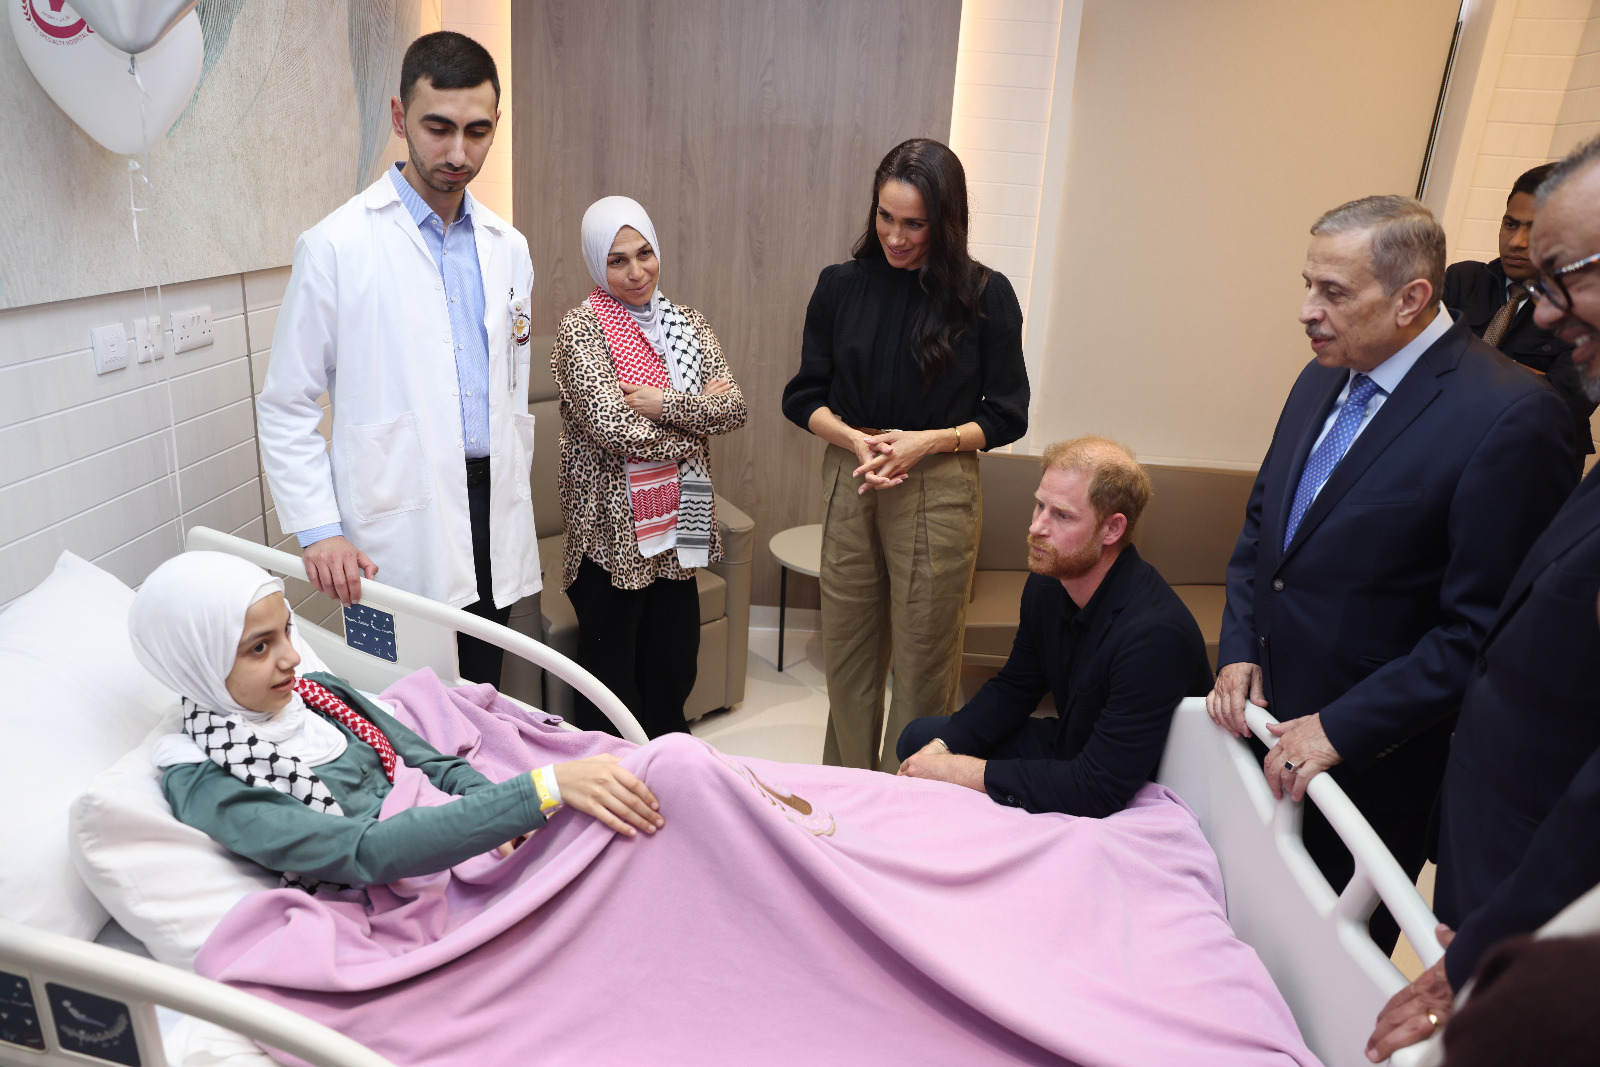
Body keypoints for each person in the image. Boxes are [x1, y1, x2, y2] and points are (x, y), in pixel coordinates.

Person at [1207, 195, 1576, 953]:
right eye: (1307, 285)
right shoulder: (1322, 377)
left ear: (1411, 299)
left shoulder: (1511, 415)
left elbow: (1484, 630)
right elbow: (1263, 532)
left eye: (1333, 292)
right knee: (1226, 940)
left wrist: (1340, 728)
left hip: (1371, 770)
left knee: (1315, 975)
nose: (1307, 312)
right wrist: (1239, 646)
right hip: (1264, 735)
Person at [1365, 137, 1600, 1062]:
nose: (1540, 311)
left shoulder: (1528, 420)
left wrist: (1493, 944)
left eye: (1563, 276)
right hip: (1500, 870)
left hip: (1546, 913)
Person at [256, 32, 539, 687]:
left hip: (491, 504)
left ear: (496, 124)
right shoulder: (336, 246)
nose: (458, 153)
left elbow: (509, 386)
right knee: (397, 702)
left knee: (480, 692)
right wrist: (319, 530)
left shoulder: (508, 247)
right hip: (393, 522)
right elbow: (287, 403)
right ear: (398, 117)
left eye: (477, 131)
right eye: (438, 128)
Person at [130, 552, 662, 891]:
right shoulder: (210, 780)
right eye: (258, 648)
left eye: (286, 632)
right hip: (408, 885)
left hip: (464, 838)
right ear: (197, 661)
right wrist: (536, 791)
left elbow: (433, 764)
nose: (291, 658)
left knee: (667, 772)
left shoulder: (318, 694)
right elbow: (364, 851)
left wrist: (502, 822)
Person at [781, 138, 1030, 773]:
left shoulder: (985, 295)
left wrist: (928, 441)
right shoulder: (840, 286)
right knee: (848, 656)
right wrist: (853, 439)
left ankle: (914, 795)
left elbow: (1008, 413)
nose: (895, 237)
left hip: (938, 482)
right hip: (853, 471)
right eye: (885, 217)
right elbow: (803, 397)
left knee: (924, 663)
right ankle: (848, 790)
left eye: (914, 224)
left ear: (945, 221)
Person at [895, 437, 1212, 815]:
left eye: (1062, 515)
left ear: (1112, 529)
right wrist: (941, 750)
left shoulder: (1156, 636)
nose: (1037, 526)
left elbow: (1097, 788)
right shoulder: (1049, 582)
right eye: (1040, 505)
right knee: (919, 740)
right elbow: (1016, 687)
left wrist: (959, 771)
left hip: (1136, 783)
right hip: (1077, 744)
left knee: (947, 771)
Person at [552, 197, 747, 738]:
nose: (636, 272)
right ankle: (611, 777)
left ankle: (670, 772)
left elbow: (734, 408)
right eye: (617, 260)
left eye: (644, 254)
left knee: (674, 668)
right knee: (611, 684)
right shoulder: (581, 330)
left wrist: (664, 404)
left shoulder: (688, 324)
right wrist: (697, 423)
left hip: (680, 523)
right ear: (597, 263)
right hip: (611, 536)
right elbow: (613, 427)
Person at [1443, 161, 1597, 471]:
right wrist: (1525, 374)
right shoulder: (1462, 280)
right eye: (1510, 224)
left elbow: (1558, 405)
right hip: (1447, 446)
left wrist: (1463, 364)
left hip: (1529, 467)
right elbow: (1416, 366)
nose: (1517, 242)